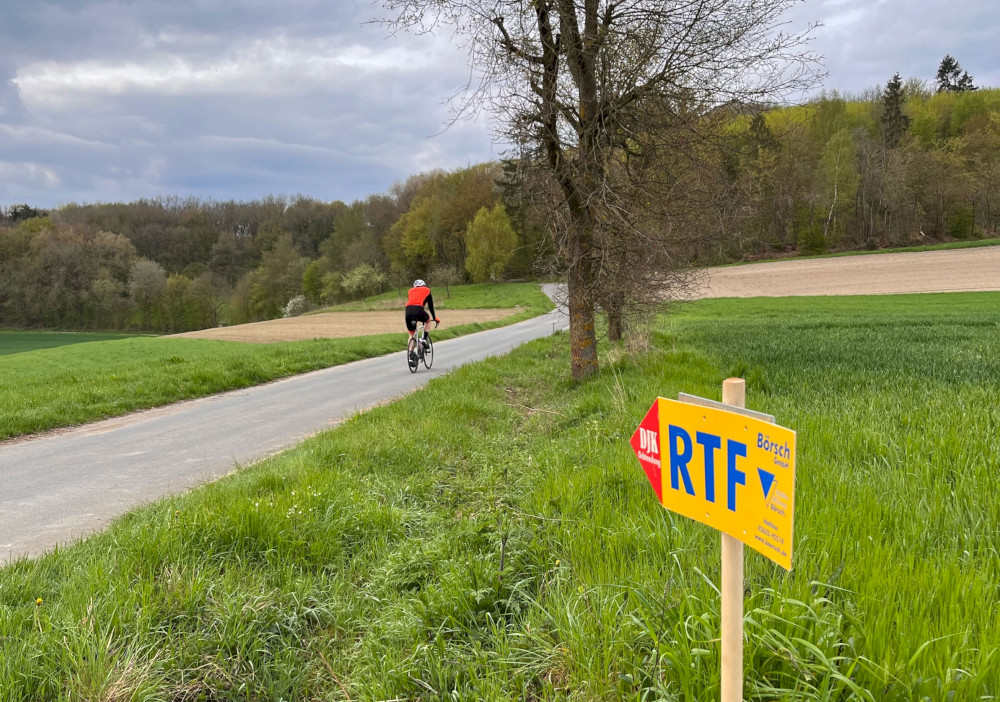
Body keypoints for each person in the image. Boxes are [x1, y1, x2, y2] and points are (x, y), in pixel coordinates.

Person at [404, 279, 439, 350]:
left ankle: (410, 353)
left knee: (411, 334)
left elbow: (412, 301)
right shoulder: (427, 290)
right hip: (418, 310)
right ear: (424, 285)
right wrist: (434, 317)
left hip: (408, 311)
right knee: (428, 320)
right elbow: (430, 306)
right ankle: (423, 339)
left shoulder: (410, 291)